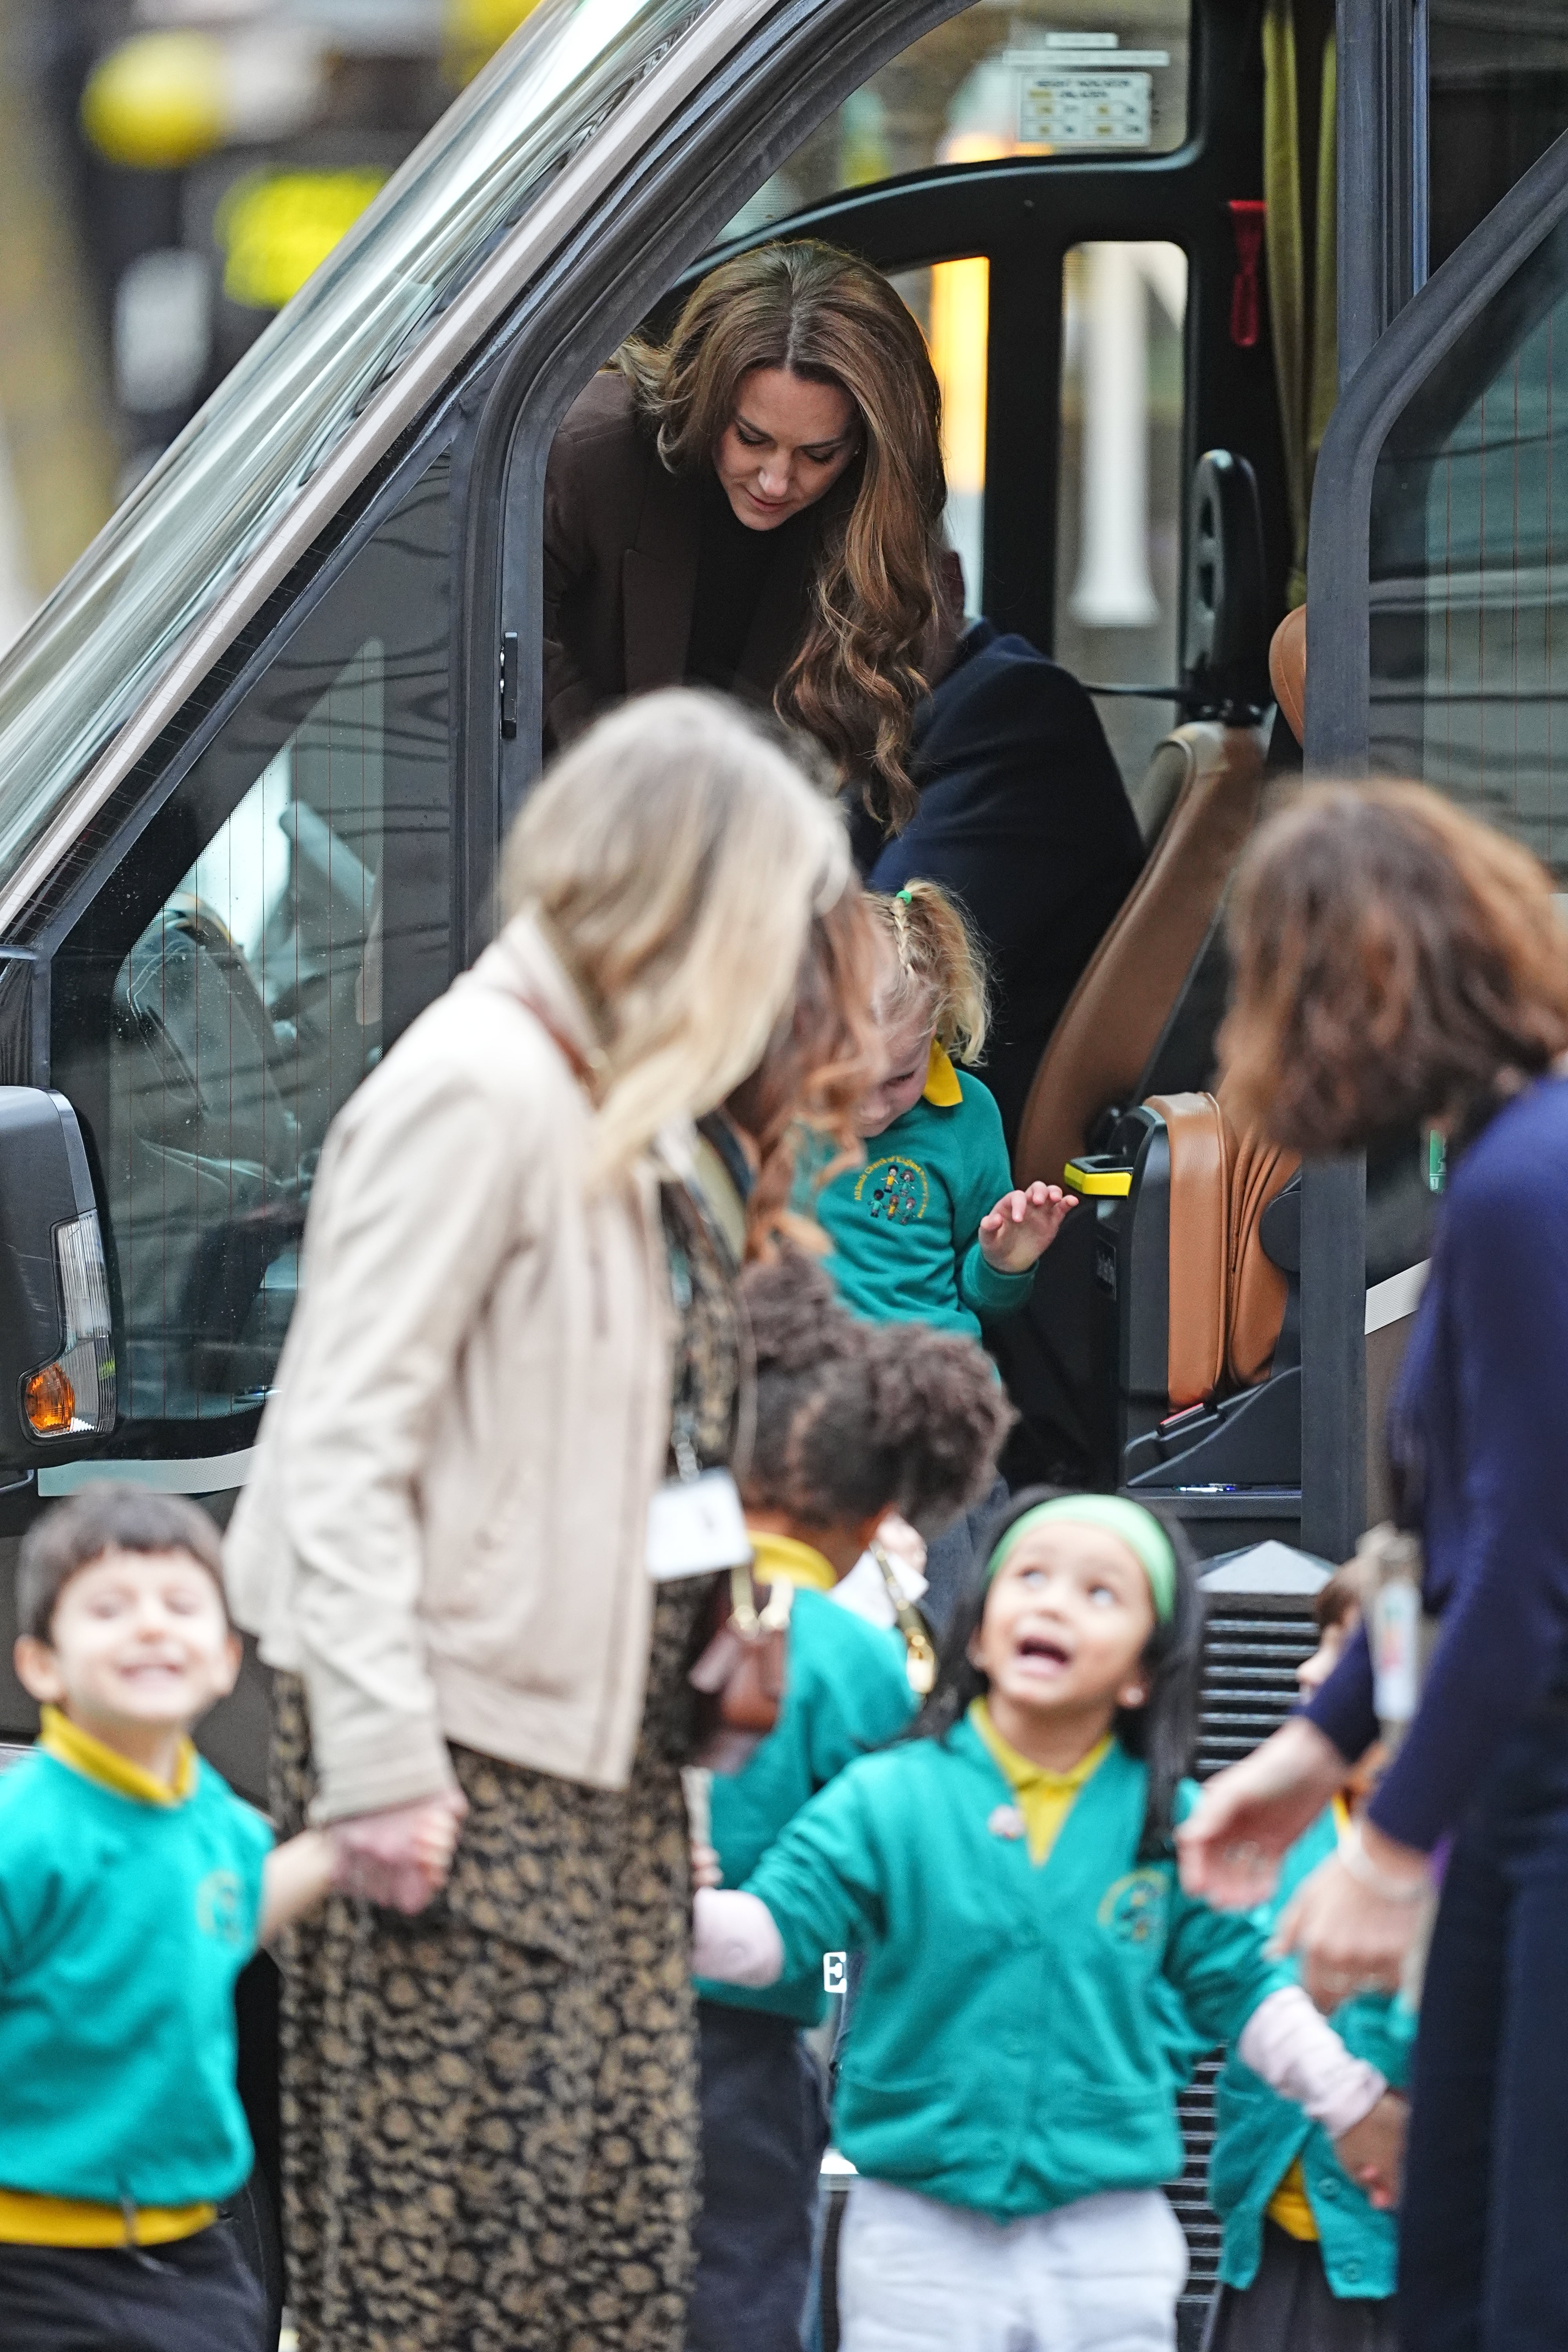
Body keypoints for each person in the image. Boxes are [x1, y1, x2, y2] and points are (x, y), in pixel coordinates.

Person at [223, 691, 856, 2352]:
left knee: (592, 2286)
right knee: (457, 2294)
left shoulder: (603, 1096)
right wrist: (376, 1764)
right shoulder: (483, 1091)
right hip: (459, 1786)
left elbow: (640, 1471)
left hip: (590, 1787)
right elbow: (340, 1455)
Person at [1175, 781, 1568, 2352]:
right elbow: (1448, 1556)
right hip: (1515, 1808)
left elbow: (1530, 1572)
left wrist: (1386, 1847)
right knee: (1466, 2290)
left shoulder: (1529, 1183)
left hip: (1538, 1813)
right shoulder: (1504, 1163)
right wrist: (1315, 1746)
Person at [692, 1490, 1406, 2352]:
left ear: (1144, 1670)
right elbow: (771, 1936)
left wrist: (1349, 2100)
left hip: (1108, 2234)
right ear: (981, 1630)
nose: (1053, 1602)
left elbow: (1247, 1990)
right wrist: (669, 1910)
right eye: (1028, 1577)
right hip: (915, 2229)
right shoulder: (888, 1796)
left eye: (1100, 1593)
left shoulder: (1173, 1824)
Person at [0, 1487, 417, 2352]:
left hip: (192, 2246)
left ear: (226, 1660)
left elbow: (224, 1921)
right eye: (109, 1608)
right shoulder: (25, 1831)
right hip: (35, 2259)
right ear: (41, 1665)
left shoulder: (217, 1819)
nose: (151, 1627)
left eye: (180, 1606)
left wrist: (344, 1845)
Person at [687, 1252, 1011, 2352]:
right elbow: (898, 1849)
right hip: (750, 2032)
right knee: (742, 2282)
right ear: (878, 1510)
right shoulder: (858, 1650)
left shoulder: (634, 1594)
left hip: (582, 2008)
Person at [543, 240, 946, 828]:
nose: (777, 481)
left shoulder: (862, 526)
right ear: (708, 398)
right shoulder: (589, 454)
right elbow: (500, 671)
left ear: (860, 448)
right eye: (752, 439)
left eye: (818, 453)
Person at [799, 880, 1076, 1625]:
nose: (873, 1103)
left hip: (932, 1416)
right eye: (848, 1071)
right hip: (808, 1408)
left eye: (899, 1076)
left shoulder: (966, 1118)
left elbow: (980, 1295)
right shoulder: (775, 1111)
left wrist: (1007, 1260)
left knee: (946, 1623)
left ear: (939, 1031)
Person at [850, 555, 1145, 1146]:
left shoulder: (1013, 709)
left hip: (936, 1162)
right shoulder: (902, 724)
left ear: (951, 585)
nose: (847, 632)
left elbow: (878, 972)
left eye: (876, 600)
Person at [1203, 1570, 1410, 2352]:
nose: (1310, 1672)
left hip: (1413, 2260)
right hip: (1274, 2252)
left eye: (1352, 1652)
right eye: (1322, 1644)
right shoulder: (1272, 1830)